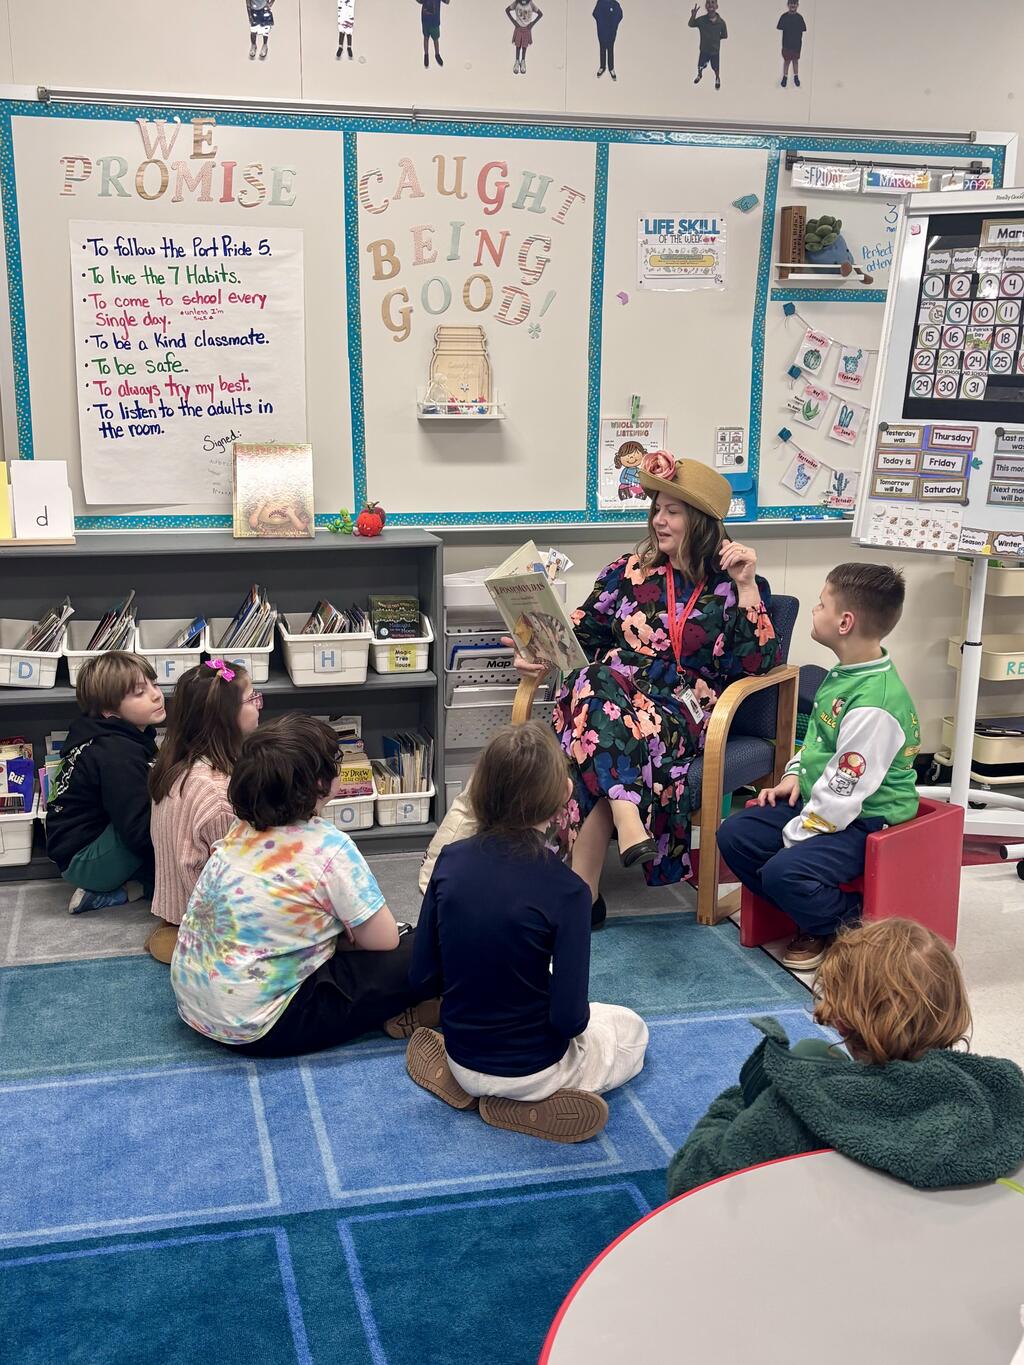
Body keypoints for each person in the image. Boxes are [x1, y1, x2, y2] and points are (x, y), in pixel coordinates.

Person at [506, 452, 778, 923]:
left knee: (592, 729)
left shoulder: (734, 584)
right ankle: (616, 835)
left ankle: (582, 889)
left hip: (682, 713)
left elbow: (755, 665)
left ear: (702, 522)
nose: (658, 520)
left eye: (672, 511)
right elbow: (579, 636)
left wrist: (748, 586)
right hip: (609, 699)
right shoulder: (626, 572)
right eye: (656, 509)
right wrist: (536, 651)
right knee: (595, 686)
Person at [406, 722, 649, 1143]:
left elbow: (422, 977)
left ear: (479, 789)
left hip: (461, 1053)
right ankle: (529, 1100)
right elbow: (570, 1019)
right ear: (563, 796)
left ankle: (470, 1085)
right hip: (533, 1069)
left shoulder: (449, 860)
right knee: (631, 1029)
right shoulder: (570, 891)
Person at [666, 919, 1024, 1196]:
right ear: (954, 1008)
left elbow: (690, 1180)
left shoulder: (800, 1105)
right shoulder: (1001, 1092)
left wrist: (743, 1099)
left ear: (841, 1019)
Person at [171, 714, 438, 1056]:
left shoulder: (240, 831)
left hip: (196, 1005)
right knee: (428, 945)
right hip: (263, 1027)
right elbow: (384, 939)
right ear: (320, 783)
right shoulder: (328, 846)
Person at [717, 563, 919, 970]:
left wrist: (792, 840)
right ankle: (809, 913)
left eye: (821, 604)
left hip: (865, 820)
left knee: (782, 871)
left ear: (845, 622)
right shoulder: (845, 674)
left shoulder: (875, 703)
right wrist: (794, 774)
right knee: (735, 835)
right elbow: (816, 741)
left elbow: (843, 795)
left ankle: (849, 921)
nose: (814, 610)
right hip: (823, 804)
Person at [146, 659, 262, 965]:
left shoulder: (175, 766)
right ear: (227, 716)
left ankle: (172, 934)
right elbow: (230, 878)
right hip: (202, 915)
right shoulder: (221, 794)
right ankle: (186, 942)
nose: (258, 704)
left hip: (172, 903)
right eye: (252, 698)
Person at [45, 652, 165, 915]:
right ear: (109, 711)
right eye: (139, 692)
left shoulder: (115, 734)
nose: (156, 695)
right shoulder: (116, 752)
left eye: (154, 684)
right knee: (168, 817)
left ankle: (133, 885)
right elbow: (138, 828)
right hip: (86, 861)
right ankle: (132, 887)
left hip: (82, 849)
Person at [689, 0, 727, 90]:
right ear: (705, 6)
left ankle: (717, 78)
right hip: (704, 49)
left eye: (713, 2)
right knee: (700, 65)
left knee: (716, 67)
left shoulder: (721, 22)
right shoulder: (701, 20)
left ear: (717, 6)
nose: (710, 4)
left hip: (715, 51)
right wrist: (693, 15)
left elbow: (724, 35)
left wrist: (715, 40)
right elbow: (691, 24)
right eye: (708, 2)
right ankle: (699, 75)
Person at [506, 1, 542, 75]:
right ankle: (517, 61)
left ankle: (523, 61)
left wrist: (532, 24)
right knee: (518, 45)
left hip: (527, 28)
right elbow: (507, 10)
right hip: (518, 28)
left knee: (524, 46)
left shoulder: (531, 3)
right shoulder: (516, 3)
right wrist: (514, 22)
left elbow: (540, 14)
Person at [777, 0, 806, 88]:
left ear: (797, 5)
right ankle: (785, 77)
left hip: (796, 44)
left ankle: (796, 76)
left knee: (795, 61)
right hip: (786, 44)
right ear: (788, 5)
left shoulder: (800, 18)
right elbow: (780, 28)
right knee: (787, 61)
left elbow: (803, 30)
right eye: (791, 3)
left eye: (794, 3)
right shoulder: (784, 17)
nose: (792, 5)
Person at [592, 0, 623, 80]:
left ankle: (611, 68)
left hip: (610, 32)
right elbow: (595, 13)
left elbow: (620, 15)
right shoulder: (600, 2)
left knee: (610, 49)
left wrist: (613, 24)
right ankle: (602, 66)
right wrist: (601, 22)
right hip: (602, 30)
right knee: (602, 48)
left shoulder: (615, 4)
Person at [417, 0, 450, 69]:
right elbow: (420, 1)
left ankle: (437, 54)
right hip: (425, 20)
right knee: (426, 37)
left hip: (434, 21)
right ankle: (426, 55)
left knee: (435, 39)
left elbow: (447, 1)